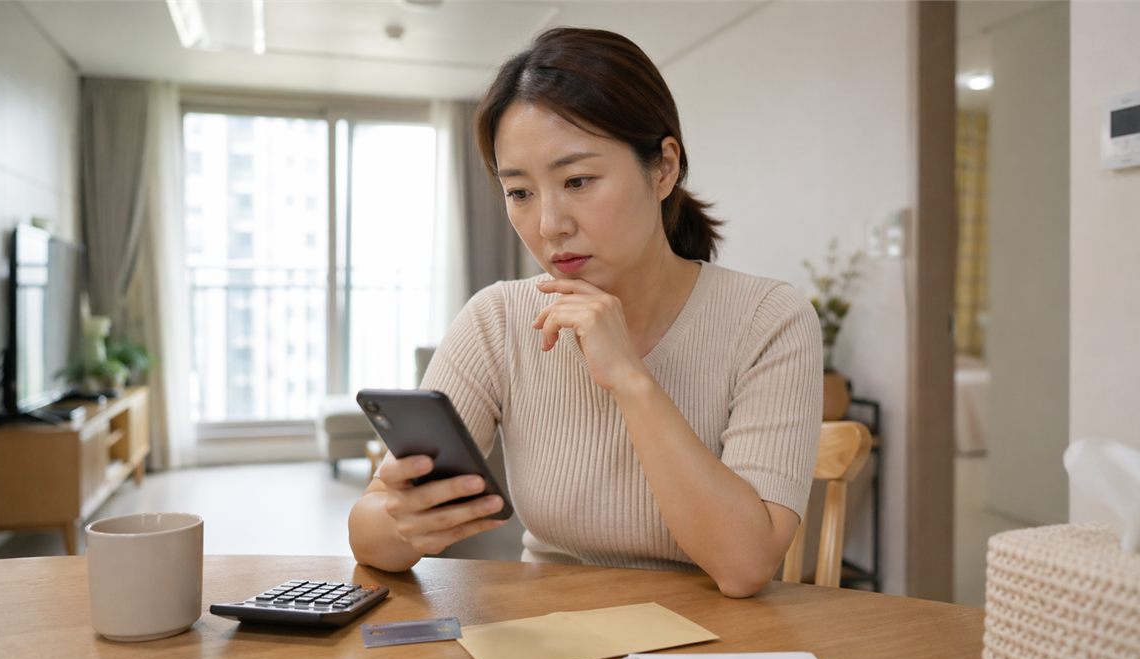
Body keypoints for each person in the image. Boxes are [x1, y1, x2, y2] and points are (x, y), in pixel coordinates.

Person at [348, 27, 822, 598]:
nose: (549, 224)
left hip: (712, 643)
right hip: (551, 633)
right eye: (520, 192)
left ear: (664, 168)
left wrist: (629, 379)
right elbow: (373, 529)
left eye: (578, 180)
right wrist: (396, 524)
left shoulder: (769, 318)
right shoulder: (497, 319)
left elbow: (745, 566)